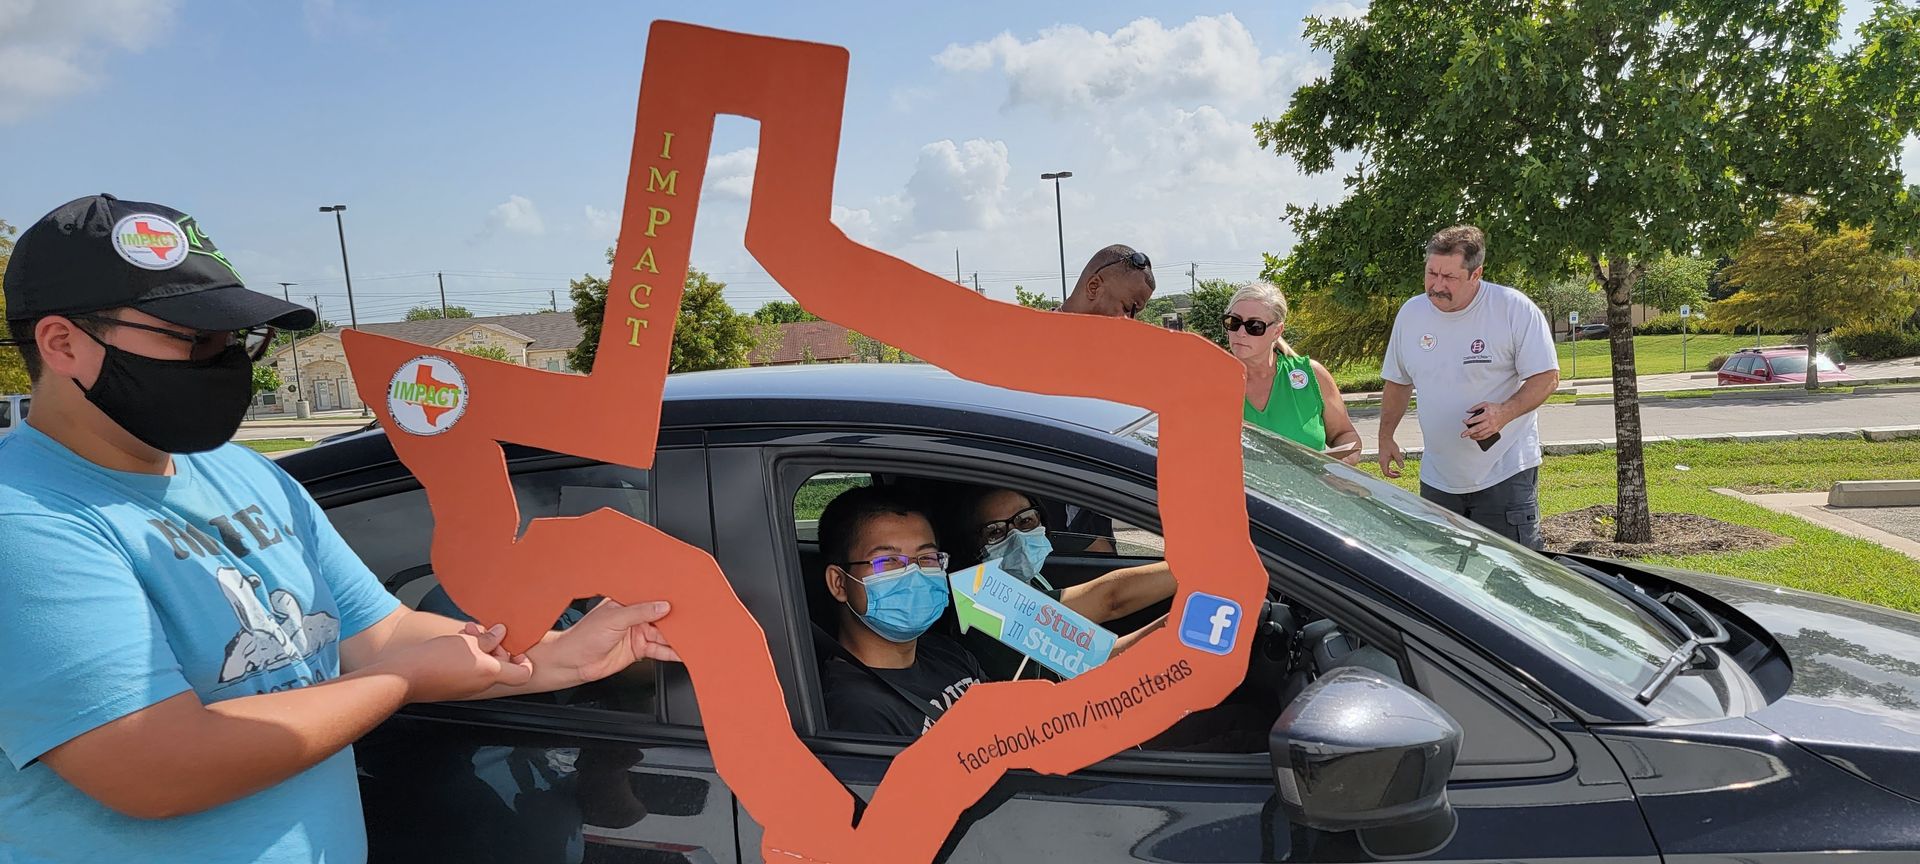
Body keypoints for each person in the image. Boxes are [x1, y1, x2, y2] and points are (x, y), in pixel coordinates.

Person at [0, 194, 680, 864]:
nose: (231, 362)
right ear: (63, 343)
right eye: (197, 340)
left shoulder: (241, 474)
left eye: (238, 340)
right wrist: (399, 684)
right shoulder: (26, 519)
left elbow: (376, 632)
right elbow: (153, 766)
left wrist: (553, 657)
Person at [1377, 225, 1560, 549]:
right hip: (1438, 480)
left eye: (1449, 277)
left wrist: (1504, 413)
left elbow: (1546, 377)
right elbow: (1398, 380)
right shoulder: (1411, 314)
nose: (1437, 286)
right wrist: (1385, 435)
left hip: (1505, 474)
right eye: (1431, 273)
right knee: (1444, 584)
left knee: (1508, 579)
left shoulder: (1512, 309)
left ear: (1476, 274)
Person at [1224, 282, 1363, 464]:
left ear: (1277, 331)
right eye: (1234, 322)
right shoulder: (1209, 381)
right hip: (1239, 494)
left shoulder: (1311, 375)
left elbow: (1345, 435)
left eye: (1254, 326)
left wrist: (1343, 463)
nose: (1241, 332)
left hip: (1309, 491)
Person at [1059, 244, 1156, 319]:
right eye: (1127, 308)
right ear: (1094, 287)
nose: (1130, 321)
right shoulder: (1045, 337)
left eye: (1134, 314)